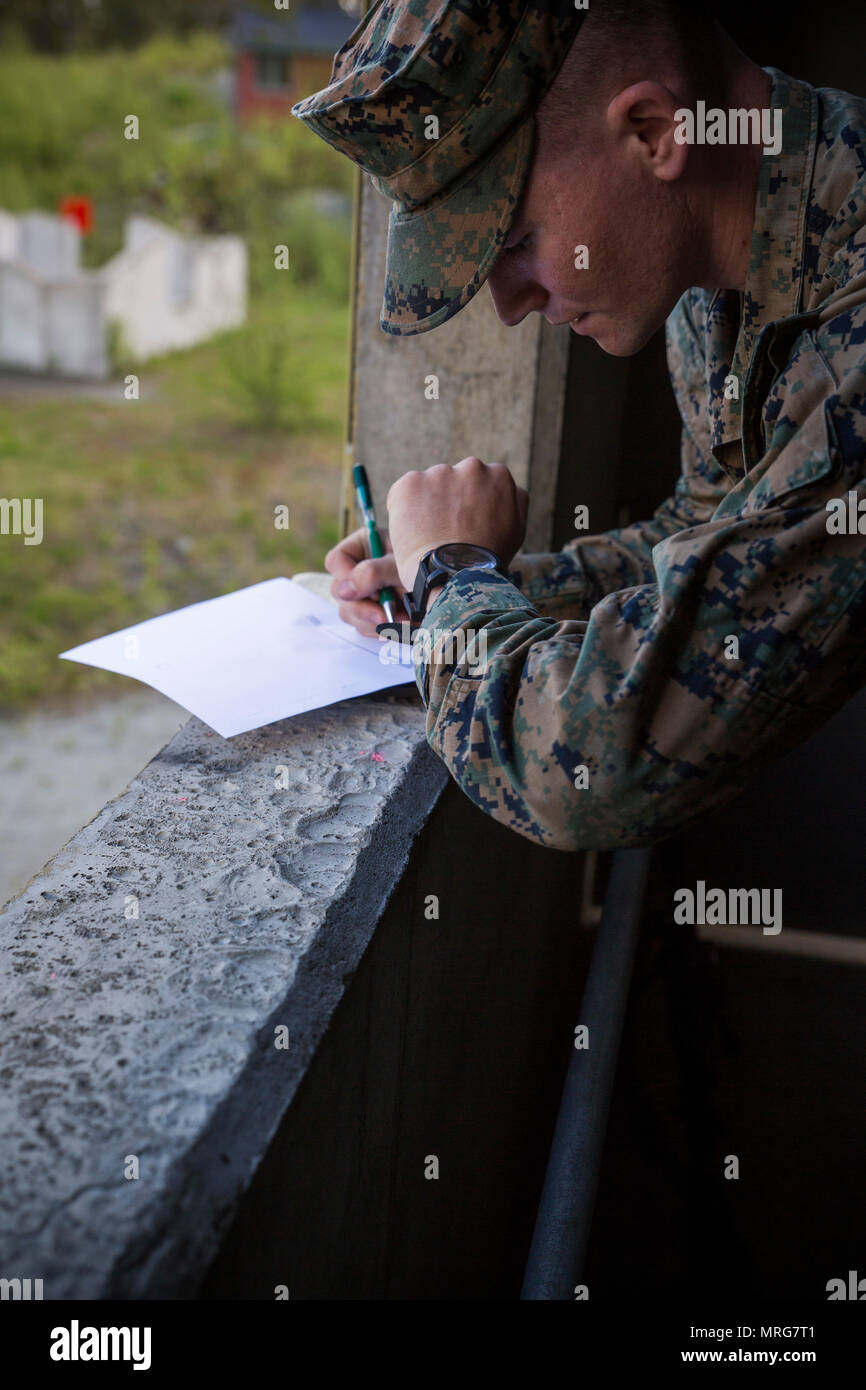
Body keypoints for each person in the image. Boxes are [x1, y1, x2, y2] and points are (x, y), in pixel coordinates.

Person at [292, 0, 866, 851]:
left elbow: (588, 776)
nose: (513, 306)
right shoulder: (721, 272)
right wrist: (467, 590)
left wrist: (452, 578)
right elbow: (714, 532)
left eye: (518, 241)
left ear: (652, 131)